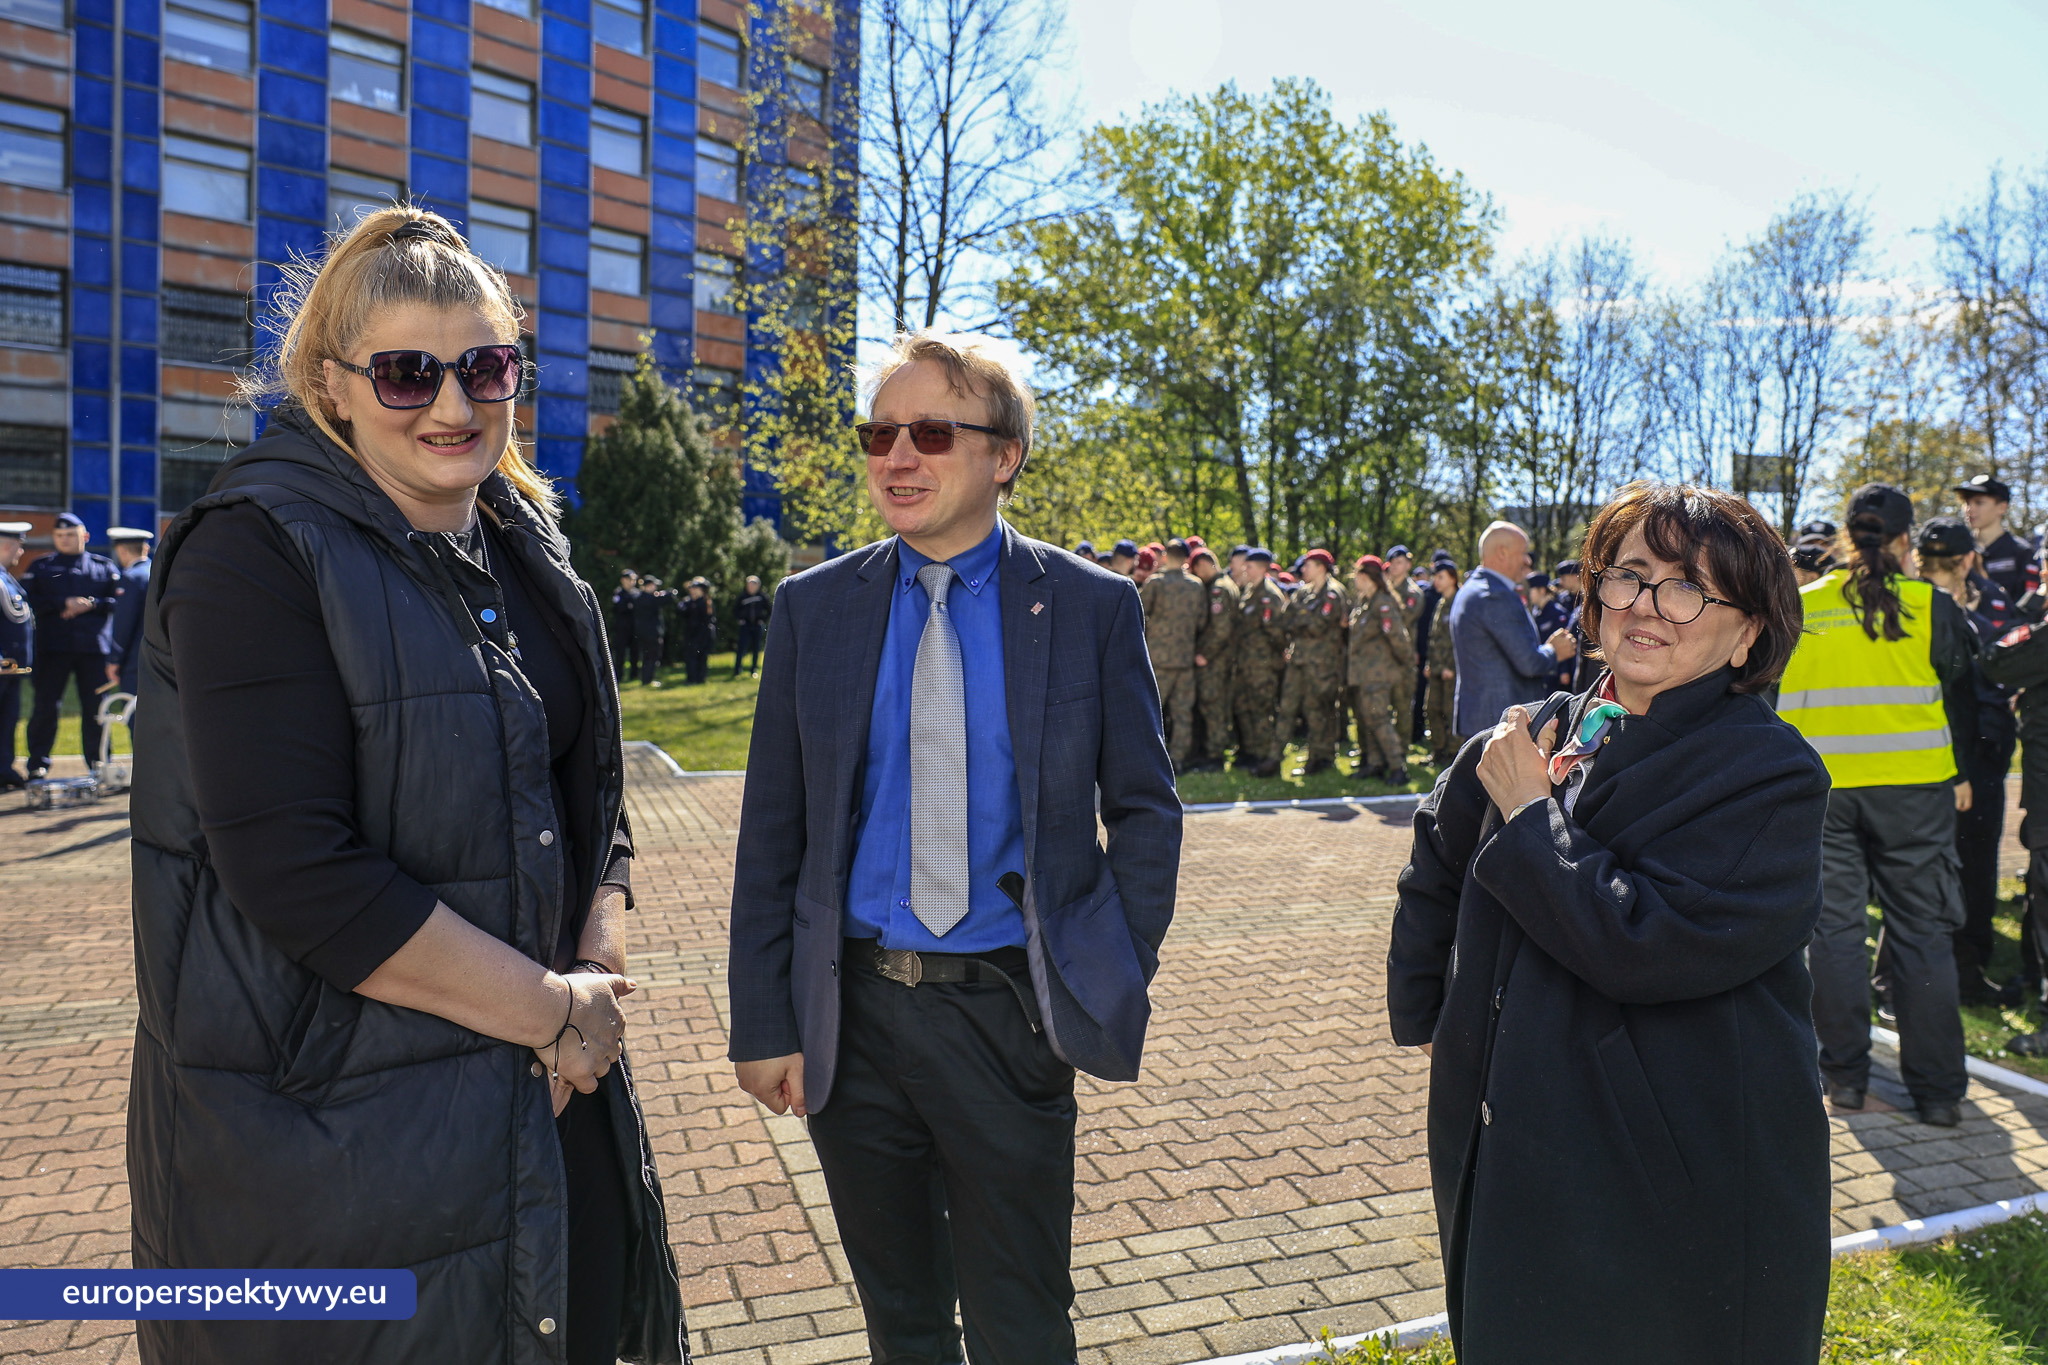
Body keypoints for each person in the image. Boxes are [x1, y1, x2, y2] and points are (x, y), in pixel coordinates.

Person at [126, 207, 684, 1362]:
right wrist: (554, 1010)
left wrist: (596, 973)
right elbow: (296, 871)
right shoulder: (252, 547)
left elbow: (590, 802)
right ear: (331, 386)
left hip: (543, 1104)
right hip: (336, 1149)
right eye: (405, 374)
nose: (451, 404)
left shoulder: (527, 544)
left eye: (484, 367)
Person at [728, 328, 1180, 1363]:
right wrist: (764, 1018)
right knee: (903, 1321)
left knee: (1021, 1322)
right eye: (877, 432)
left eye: (930, 432)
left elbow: (1147, 811)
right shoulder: (813, 610)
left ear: (1002, 454)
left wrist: (1104, 965)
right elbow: (774, 832)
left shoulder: (1089, 607)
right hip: (850, 1017)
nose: (897, 456)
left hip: (1004, 1014)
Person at [1388, 480, 1829, 1362]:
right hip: (1516, 1125)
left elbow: (1649, 943)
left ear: (1749, 631)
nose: (1649, 607)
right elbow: (1434, 861)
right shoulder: (1541, 730)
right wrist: (1437, 1016)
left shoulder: (1768, 773)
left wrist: (1529, 820)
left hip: (1673, 1154)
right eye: (1629, 576)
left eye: (1690, 587)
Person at [1779, 483, 1975, 1127]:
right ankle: (1939, 1095)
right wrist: (1965, 774)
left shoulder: (1805, 605)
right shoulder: (1930, 605)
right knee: (1922, 935)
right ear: (1902, 540)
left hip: (1825, 794)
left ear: (1846, 537)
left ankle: (1846, 1080)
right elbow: (1963, 694)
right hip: (1916, 792)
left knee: (1834, 935)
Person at [1913, 516, 2019, 1005]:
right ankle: (1962, 977)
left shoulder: (1914, 604)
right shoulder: (1928, 609)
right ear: (1967, 560)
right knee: (1968, 866)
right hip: (1958, 761)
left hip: (1967, 755)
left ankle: (1906, 979)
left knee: (1921, 869)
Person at [1447, 522, 1576, 746]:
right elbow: (1528, 662)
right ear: (1502, 553)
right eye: (1523, 553)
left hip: (1485, 718)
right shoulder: (1496, 596)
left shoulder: (1474, 588)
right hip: (1500, 723)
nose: (1528, 561)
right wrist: (1554, 651)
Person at [21, 511, 120, 778]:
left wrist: (92, 604)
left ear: (85, 536)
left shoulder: (104, 566)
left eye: (71, 535)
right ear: (54, 537)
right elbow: (28, 602)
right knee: (45, 707)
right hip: (52, 649)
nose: (64, 540)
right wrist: (63, 603)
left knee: (96, 708)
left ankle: (99, 762)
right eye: (60, 535)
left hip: (93, 651)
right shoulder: (40, 567)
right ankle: (38, 764)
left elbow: (119, 602)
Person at [1274, 547, 1347, 776]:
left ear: (1321, 567)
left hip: (1323, 663)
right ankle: (1274, 757)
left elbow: (1319, 625)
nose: (1303, 569)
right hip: (1299, 660)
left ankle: (1320, 757)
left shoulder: (1334, 592)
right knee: (1288, 707)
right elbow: (1286, 621)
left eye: (1308, 565)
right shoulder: (1302, 592)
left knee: (1319, 711)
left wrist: (1302, 618)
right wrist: (1304, 619)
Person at [1138, 538, 1205, 773]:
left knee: (1152, 712)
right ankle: (1177, 759)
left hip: (1159, 659)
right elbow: (1202, 621)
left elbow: (1139, 614)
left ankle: (1147, 759)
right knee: (1182, 713)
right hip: (1185, 659)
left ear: (1165, 556)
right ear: (1187, 559)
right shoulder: (1196, 586)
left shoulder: (1156, 583)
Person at [1348, 555, 1412, 784]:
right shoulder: (1366, 602)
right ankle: (1375, 763)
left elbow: (1397, 637)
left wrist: (1405, 663)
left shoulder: (1382, 603)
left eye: (1357, 575)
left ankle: (1397, 767)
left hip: (1379, 673)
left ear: (1366, 577)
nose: (1355, 580)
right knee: (1368, 719)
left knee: (1379, 719)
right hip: (1365, 673)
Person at [1231, 547, 1288, 777]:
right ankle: (1252, 752)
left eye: (1250, 566)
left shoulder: (1269, 595)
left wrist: (1270, 658)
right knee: (1246, 709)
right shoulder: (1249, 592)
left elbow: (1277, 633)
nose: (1246, 569)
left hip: (1262, 665)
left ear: (1263, 569)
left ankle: (1266, 757)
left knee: (1262, 711)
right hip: (1247, 664)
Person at [1188, 546, 1239, 772]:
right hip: (1221, 658)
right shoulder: (1225, 584)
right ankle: (1210, 752)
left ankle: (1215, 756)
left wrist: (1204, 654)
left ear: (1204, 564)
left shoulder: (1218, 590)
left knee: (1213, 706)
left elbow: (1221, 630)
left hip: (1215, 660)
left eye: (1196, 569)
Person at [1957, 474, 2035, 604]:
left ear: (2002, 507)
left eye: (1979, 502)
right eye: (1967, 503)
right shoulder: (1958, 550)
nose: (1970, 509)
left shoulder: (2022, 552)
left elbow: (2030, 607)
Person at [107, 526, 154, 699]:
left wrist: (114, 659)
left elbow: (123, 623)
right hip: (159, 656)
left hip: (135, 660)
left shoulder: (131, 577)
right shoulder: (158, 573)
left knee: (135, 715)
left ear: (122, 550)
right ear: (146, 549)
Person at [1384, 545, 1424, 747]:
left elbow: (1402, 619)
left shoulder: (1412, 593)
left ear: (1408, 565)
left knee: (1401, 703)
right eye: (1392, 562)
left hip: (1401, 655)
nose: (1395, 567)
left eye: (1400, 562)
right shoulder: (1383, 589)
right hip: (1381, 655)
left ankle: (1400, 747)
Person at [0, 521, 29, 789]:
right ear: (8, 546)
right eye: (19, 547)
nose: (20, 554)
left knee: (8, 721)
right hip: (2, 666)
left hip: (11, 669)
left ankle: (3, 769)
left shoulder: (6, 578)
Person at [1424, 559, 1461, 765]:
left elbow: (1460, 640)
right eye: (1435, 577)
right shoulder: (1441, 603)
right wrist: (1431, 663)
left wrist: (1452, 667)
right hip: (1437, 668)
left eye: (1441, 577)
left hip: (1452, 670)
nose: (1436, 581)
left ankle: (1454, 753)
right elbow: (1435, 638)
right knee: (1432, 709)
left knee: (1451, 711)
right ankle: (1438, 750)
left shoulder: (1459, 601)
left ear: (1453, 578)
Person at [631, 573, 669, 686]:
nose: (655, 588)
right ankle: (648, 679)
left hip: (642, 633)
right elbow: (669, 597)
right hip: (651, 633)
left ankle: (646, 678)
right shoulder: (649, 598)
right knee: (652, 656)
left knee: (646, 656)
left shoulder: (638, 598)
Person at [732, 574, 769, 678]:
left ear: (758, 586)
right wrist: (741, 620)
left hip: (757, 626)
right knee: (741, 648)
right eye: (749, 585)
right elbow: (735, 610)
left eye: (753, 585)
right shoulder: (742, 597)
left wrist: (762, 620)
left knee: (756, 648)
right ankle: (737, 670)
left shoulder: (762, 597)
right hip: (745, 626)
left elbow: (769, 610)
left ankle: (753, 670)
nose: (751, 587)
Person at [680, 578, 714, 684]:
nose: (693, 591)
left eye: (696, 588)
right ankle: (692, 678)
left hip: (703, 634)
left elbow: (706, 618)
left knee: (702, 657)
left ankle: (700, 678)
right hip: (691, 634)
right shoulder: (688, 602)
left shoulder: (705, 602)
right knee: (691, 657)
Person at [610, 570, 640, 682]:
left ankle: (634, 675)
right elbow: (620, 608)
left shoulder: (637, 593)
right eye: (628, 579)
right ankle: (619, 676)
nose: (631, 582)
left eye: (633, 580)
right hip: (621, 628)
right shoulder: (619, 593)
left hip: (634, 628)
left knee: (635, 652)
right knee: (620, 653)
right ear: (623, 580)